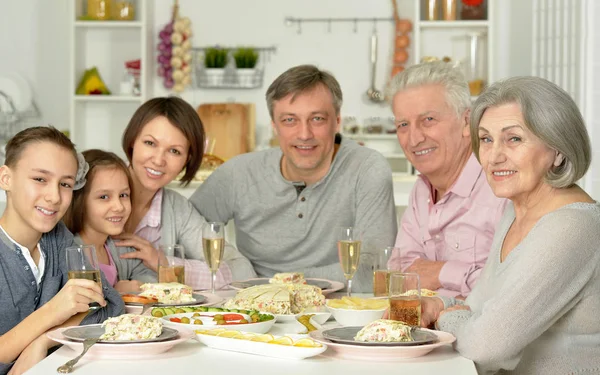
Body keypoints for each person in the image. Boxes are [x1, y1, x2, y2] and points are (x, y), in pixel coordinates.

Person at [422, 76, 600, 374]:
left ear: (558, 149)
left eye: (513, 138)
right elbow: (484, 308)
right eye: (487, 139)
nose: (494, 156)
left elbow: (486, 347)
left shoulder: (573, 226)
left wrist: (446, 318)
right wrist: (438, 303)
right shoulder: (516, 210)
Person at [189, 64, 397, 292]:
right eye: (290, 120)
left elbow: (374, 271)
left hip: (338, 311)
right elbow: (184, 230)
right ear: (274, 126)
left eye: (317, 119)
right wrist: (236, 265)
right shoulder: (238, 173)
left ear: (337, 122)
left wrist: (276, 284)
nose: (304, 134)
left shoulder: (367, 169)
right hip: (252, 312)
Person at [0, 127, 124, 375]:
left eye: (65, 184)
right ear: (6, 178)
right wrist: (53, 312)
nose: (55, 196)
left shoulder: (58, 239)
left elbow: (108, 304)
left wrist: (43, 340)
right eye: (40, 179)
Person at [386, 61, 506, 297]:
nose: (414, 138)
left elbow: (511, 288)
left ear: (466, 122)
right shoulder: (422, 190)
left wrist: (440, 273)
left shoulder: (501, 188)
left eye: (428, 120)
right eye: (403, 125)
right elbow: (399, 274)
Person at [116, 97, 256, 289]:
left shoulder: (177, 209)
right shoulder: (94, 187)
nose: (158, 160)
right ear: (133, 141)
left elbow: (242, 271)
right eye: (150, 143)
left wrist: (164, 264)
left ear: (187, 160)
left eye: (174, 151)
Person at [63, 149, 157, 293]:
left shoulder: (119, 247)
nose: (119, 207)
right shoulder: (69, 253)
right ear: (79, 201)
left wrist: (136, 285)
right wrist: (115, 292)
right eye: (104, 197)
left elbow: (149, 274)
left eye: (123, 195)